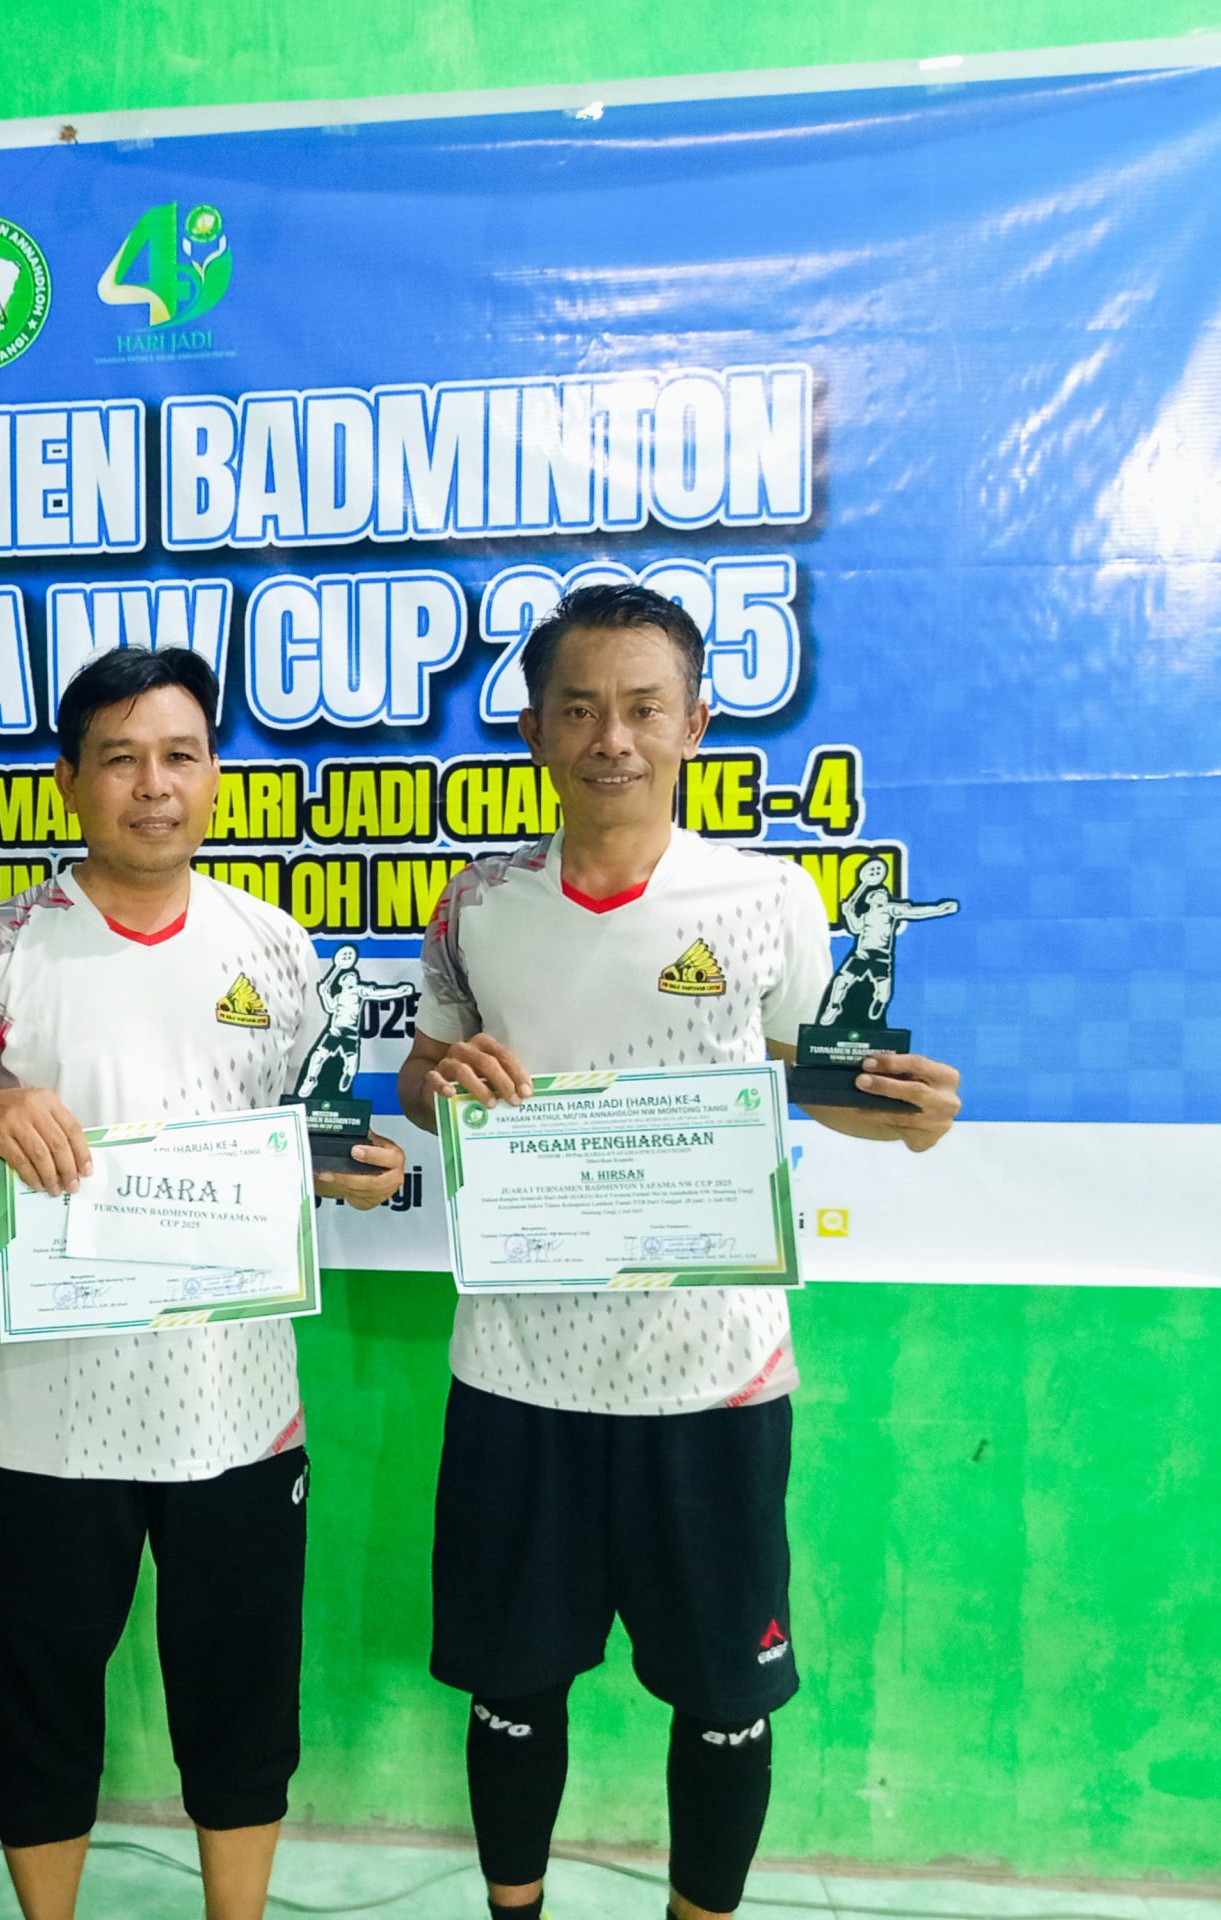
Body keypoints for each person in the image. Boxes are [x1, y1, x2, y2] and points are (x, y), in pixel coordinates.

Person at [395, 584, 964, 1920]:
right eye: (581, 708)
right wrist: (440, 1082)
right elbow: (424, 1075)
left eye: (645, 708)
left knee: (722, 1697)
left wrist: (907, 1117)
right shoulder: (478, 901)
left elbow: (820, 1077)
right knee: (513, 1686)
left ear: (696, 723)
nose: (614, 738)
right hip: (520, 1368)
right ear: (533, 729)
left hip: (712, 1375)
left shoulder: (767, 896)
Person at [0, 647, 406, 1920]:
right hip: (49, 1423)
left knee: (242, 1706)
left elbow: (314, 1142)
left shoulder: (274, 947)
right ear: (68, 779)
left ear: (212, 775)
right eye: (120, 758)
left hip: (241, 1415)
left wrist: (353, 1174)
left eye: (180, 756)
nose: (153, 785)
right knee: (36, 1713)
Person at [818, 855, 958, 1026]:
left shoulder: (890, 909)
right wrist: (848, 913)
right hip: (861, 954)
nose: (883, 894)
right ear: (870, 899)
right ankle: (833, 1006)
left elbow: (913, 912)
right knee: (841, 980)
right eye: (879, 893)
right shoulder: (866, 915)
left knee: (883, 991)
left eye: (884, 894)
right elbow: (855, 928)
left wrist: (939, 909)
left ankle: (880, 1002)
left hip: (881, 956)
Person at [293, 942, 415, 1099]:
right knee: (318, 1055)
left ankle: (348, 1075)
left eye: (355, 977)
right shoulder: (338, 996)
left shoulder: (359, 991)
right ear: (343, 982)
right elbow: (330, 1008)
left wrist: (399, 992)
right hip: (335, 1030)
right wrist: (324, 994)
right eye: (350, 977)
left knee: (351, 1063)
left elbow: (377, 994)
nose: (353, 978)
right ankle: (310, 1080)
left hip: (350, 1032)